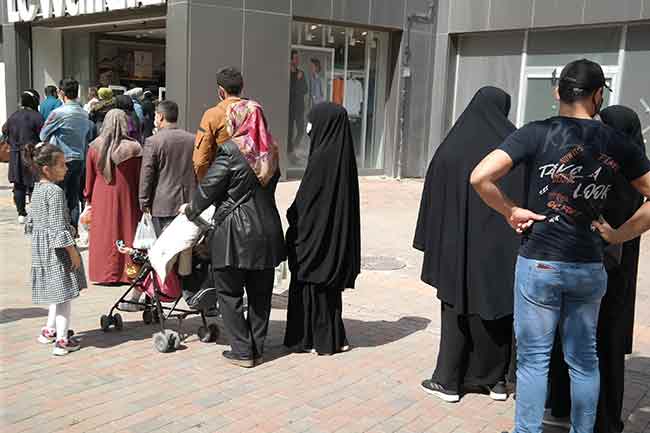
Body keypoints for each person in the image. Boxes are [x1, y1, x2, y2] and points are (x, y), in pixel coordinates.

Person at [470, 59, 650, 433]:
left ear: (557, 93)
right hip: (587, 265)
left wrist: (510, 210)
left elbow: (480, 176)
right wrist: (619, 235)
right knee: (584, 360)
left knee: (534, 361)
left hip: (540, 262)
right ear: (599, 95)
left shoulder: (535, 133)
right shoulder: (616, 142)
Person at [415, 87, 525, 403]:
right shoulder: (512, 147)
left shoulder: (452, 146)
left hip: (456, 246)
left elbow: (433, 197)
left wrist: (434, 240)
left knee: (456, 308)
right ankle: (496, 383)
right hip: (501, 249)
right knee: (499, 309)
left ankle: (449, 382)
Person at [547, 105, 648, 433]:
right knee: (604, 342)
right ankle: (602, 420)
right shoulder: (637, 172)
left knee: (578, 337)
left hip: (588, 265)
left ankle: (567, 406)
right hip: (614, 269)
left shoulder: (597, 166)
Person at [182, 99, 285, 368]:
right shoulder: (272, 151)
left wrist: (192, 209)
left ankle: (241, 350)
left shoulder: (230, 150)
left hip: (234, 234)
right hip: (267, 231)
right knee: (261, 295)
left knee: (229, 293)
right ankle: (257, 348)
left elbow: (208, 190)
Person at [283, 102, 360, 355]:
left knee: (309, 286)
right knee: (327, 292)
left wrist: (292, 215)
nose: (307, 128)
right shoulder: (342, 157)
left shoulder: (322, 159)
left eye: (311, 122)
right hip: (332, 244)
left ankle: (307, 338)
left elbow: (306, 204)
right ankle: (330, 338)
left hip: (313, 243)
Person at [27, 143, 87, 356]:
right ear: (47, 169)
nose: (66, 169)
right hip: (58, 252)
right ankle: (62, 341)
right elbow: (57, 228)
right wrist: (72, 251)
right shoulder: (55, 191)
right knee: (64, 298)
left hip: (42, 251)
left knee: (56, 294)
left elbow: (34, 222)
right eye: (61, 165)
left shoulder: (38, 189)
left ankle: (49, 330)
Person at [84, 109, 143, 285]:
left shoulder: (94, 147)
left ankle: (103, 273)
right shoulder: (134, 148)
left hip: (101, 195)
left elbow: (89, 179)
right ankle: (129, 273)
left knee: (104, 233)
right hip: (127, 196)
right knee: (126, 231)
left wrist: (88, 198)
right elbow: (140, 177)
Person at [39, 78, 95, 228]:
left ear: (61, 92)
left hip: (61, 159)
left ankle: (60, 228)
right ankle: (73, 228)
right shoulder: (84, 113)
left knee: (58, 195)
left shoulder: (58, 113)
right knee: (73, 196)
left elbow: (43, 135)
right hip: (79, 158)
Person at [139, 100, 196, 236]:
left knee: (164, 252)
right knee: (186, 252)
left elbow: (147, 175)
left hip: (163, 205)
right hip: (189, 202)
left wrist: (144, 202)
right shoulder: (193, 139)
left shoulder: (153, 142)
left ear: (160, 116)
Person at [193, 66, 244, 181]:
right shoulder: (255, 112)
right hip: (251, 184)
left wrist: (207, 185)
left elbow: (200, 161)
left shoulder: (213, 115)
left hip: (224, 183)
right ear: (242, 88)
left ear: (221, 91)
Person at [2, 90, 44, 223]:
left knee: (18, 184)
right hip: (32, 154)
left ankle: (21, 213)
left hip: (15, 154)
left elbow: (4, 130)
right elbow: (43, 134)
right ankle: (35, 213)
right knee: (34, 184)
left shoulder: (13, 116)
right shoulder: (37, 117)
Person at [289, 50, 308, 160]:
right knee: (290, 131)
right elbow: (289, 90)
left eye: (297, 58)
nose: (297, 60)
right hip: (290, 107)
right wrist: (297, 79)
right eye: (295, 58)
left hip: (299, 107)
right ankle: (290, 152)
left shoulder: (301, 73)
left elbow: (305, 89)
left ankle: (293, 149)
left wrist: (300, 80)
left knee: (301, 130)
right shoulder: (288, 73)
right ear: (291, 59)